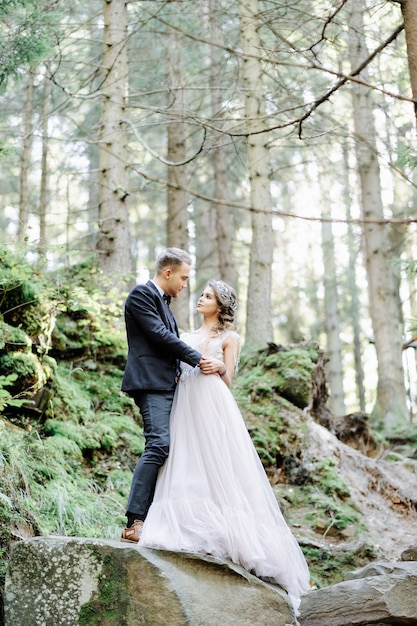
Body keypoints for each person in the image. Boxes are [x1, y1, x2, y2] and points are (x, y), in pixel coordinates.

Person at [139, 280, 311, 614]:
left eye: (207, 296)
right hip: (184, 403)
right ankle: (182, 524)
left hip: (213, 402)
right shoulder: (185, 335)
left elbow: (229, 380)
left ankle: (234, 534)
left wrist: (218, 367)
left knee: (218, 462)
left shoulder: (230, 338)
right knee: (185, 459)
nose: (200, 299)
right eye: (201, 294)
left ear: (220, 305)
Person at [120, 247, 213, 543]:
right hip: (151, 384)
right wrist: (198, 358)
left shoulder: (165, 302)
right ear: (168, 272)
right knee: (158, 444)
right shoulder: (140, 295)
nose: (186, 285)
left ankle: (161, 520)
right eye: (183, 278)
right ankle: (135, 521)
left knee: (174, 451)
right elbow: (160, 336)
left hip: (169, 384)